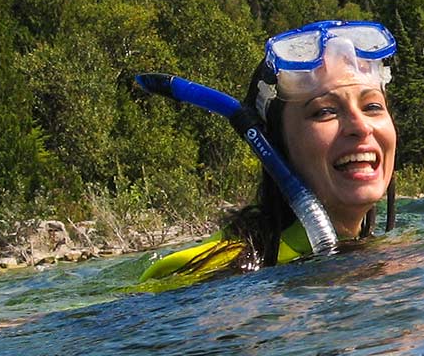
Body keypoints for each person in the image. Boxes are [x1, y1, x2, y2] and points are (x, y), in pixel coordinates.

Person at [140, 20, 400, 284]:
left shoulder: (392, 251)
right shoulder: (218, 271)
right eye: (325, 112)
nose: (360, 126)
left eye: (372, 107)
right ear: (273, 144)